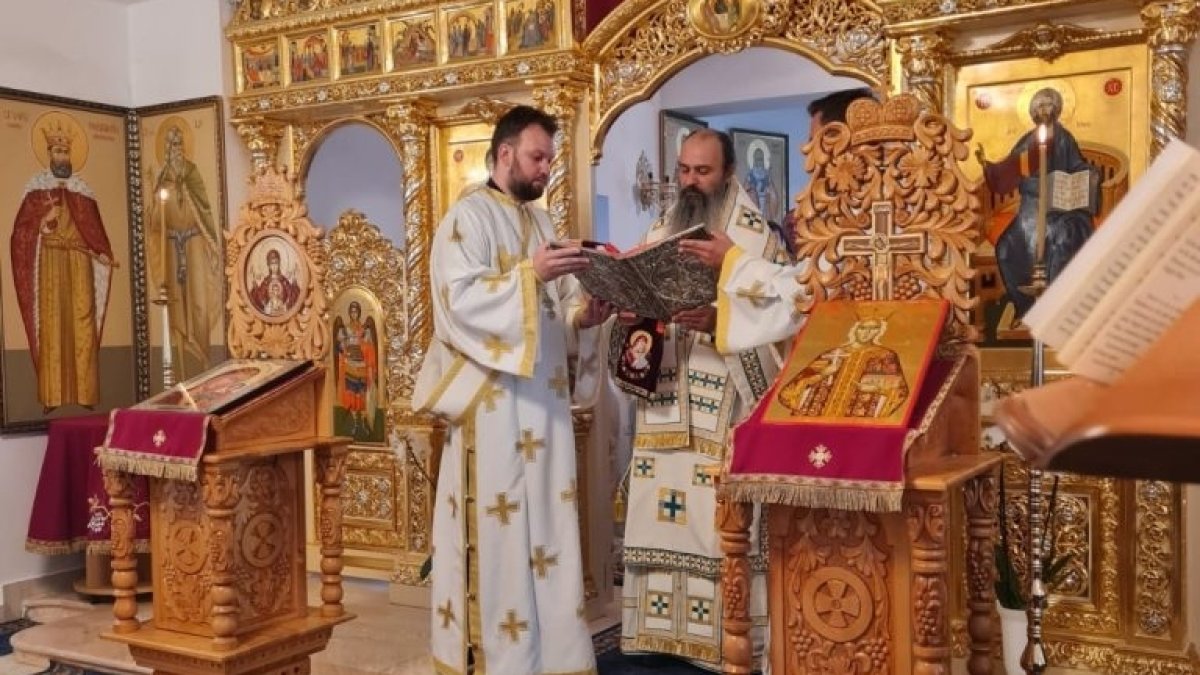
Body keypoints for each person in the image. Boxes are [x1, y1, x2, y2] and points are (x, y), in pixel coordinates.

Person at [413, 104, 612, 675]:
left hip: (544, 408)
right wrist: (530, 276)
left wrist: (584, 317)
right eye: (536, 157)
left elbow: (557, 313)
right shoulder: (466, 219)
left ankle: (552, 659)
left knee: (549, 535)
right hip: (494, 412)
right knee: (501, 539)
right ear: (504, 154)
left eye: (549, 158)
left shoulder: (542, 224)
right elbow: (458, 304)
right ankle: (501, 660)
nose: (546, 168)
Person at [612, 128, 786, 672]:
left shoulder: (756, 242)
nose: (690, 181)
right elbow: (637, 324)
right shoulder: (659, 231)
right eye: (684, 170)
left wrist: (719, 319)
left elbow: (785, 326)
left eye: (702, 171)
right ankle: (658, 637)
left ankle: (724, 643)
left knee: (718, 531)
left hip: (724, 410)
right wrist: (629, 314)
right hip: (663, 407)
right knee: (657, 518)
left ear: (729, 173)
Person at [679, 88, 878, 353]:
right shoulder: (848, 209)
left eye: (814, 142)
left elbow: (803, 295)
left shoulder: (861, 214)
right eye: (684, 169)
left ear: (843, 142)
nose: (806, 152)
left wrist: (732, 262)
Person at [11, 116, 117, 413]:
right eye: (58, 151)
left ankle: (85, 393)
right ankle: (53, 396)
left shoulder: (83, 190)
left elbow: (94, 230)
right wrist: (43, 223)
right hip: (50, 262)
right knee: (52, 324)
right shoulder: (36, 189)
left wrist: (102, 252)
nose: (63, 157)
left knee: (83, 320)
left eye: (66, 152)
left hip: (80, 261)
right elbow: (21, 233)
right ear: (49, 154)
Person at [978, 86, 1095, 321]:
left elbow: (1078, 166)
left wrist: (1088, 175)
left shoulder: (1064, 139)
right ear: (1033, 111)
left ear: (1057, 109)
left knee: (1058, 242)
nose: (1044, 110)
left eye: (1049, 105)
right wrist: (990, 167)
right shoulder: (1027, 141)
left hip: (1061, 210)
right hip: (1030, 211)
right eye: (1040, 106)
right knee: (1006, 248)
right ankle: (1026, 309)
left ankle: (1056, 310)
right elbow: (1011, 168)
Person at [150, 122, 223, 379]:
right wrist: (156, 202)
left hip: (194, 244)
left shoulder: (192, 173)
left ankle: (204, 363)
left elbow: (204, 208)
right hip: (172, 246)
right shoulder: (162, 178)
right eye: (171, 144)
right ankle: (180, 372)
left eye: (179, 143)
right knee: (176, 306)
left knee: (199, 304)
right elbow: (154, 223)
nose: (176, 149)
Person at [777, 315, 909, 418]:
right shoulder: (831, 354)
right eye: (863, 328)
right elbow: (788, 392)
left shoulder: (884, 356)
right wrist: (823, 374)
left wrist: (876, 389)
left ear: (878, 332)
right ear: (855, 329)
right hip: (816, 419)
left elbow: (900, 391)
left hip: (858, 423)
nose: (867, 333)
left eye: (873, 329)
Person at [334, 301, 378, 440]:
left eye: (356, 312)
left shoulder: (365, 330)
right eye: (352, 312)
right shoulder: (344, 330)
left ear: (359, 313)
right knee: (352, 394)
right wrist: (343, 348)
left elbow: (369, 347)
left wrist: (363, 343)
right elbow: (339, 347)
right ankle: (354, 424)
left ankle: (364, 423)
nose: (354, 314)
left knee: (362, 395)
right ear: (349, 313)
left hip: (362, 366)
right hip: (350, 366)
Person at [249, 248, 301, 315]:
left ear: (279, 264)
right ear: (268, 265)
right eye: (272, 264)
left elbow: (291, 295)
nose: (274, 266)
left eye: (276, 263)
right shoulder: (266, 281)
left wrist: (294, 285)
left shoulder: (284, 280)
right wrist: (255, 288)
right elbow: (260, 297)